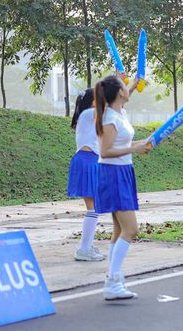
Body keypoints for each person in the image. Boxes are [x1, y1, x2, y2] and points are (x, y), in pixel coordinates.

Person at [94, 75, 150, 300]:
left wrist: (139, 144)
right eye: (125, 86)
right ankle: (112, 281)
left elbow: (124, 142)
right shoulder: (109, 118)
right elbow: (105, 151)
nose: (128, 89)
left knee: (119, 231)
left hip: (123, 171)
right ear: (119, 92)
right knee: (131, 230)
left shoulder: (120, 113)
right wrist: (134, 149)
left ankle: (114, 280)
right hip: (112, 174)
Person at [68, 89, 104, 262]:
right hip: (87, 161)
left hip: (90, 160)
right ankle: (83, 249)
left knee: (95, 208)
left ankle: (87, 246)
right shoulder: (88, 115)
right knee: (93, 208)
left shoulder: (90, 117)